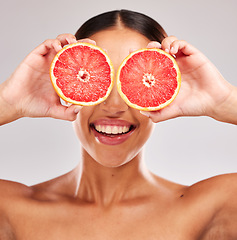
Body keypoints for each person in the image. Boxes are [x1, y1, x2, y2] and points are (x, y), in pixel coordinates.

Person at [0, 9, 237, 239]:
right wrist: (7, 102)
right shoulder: (11, 209)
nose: (114, 107)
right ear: (66, 82)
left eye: (133, 83)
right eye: (95, 79)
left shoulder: (214, 207)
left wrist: (224, 100)